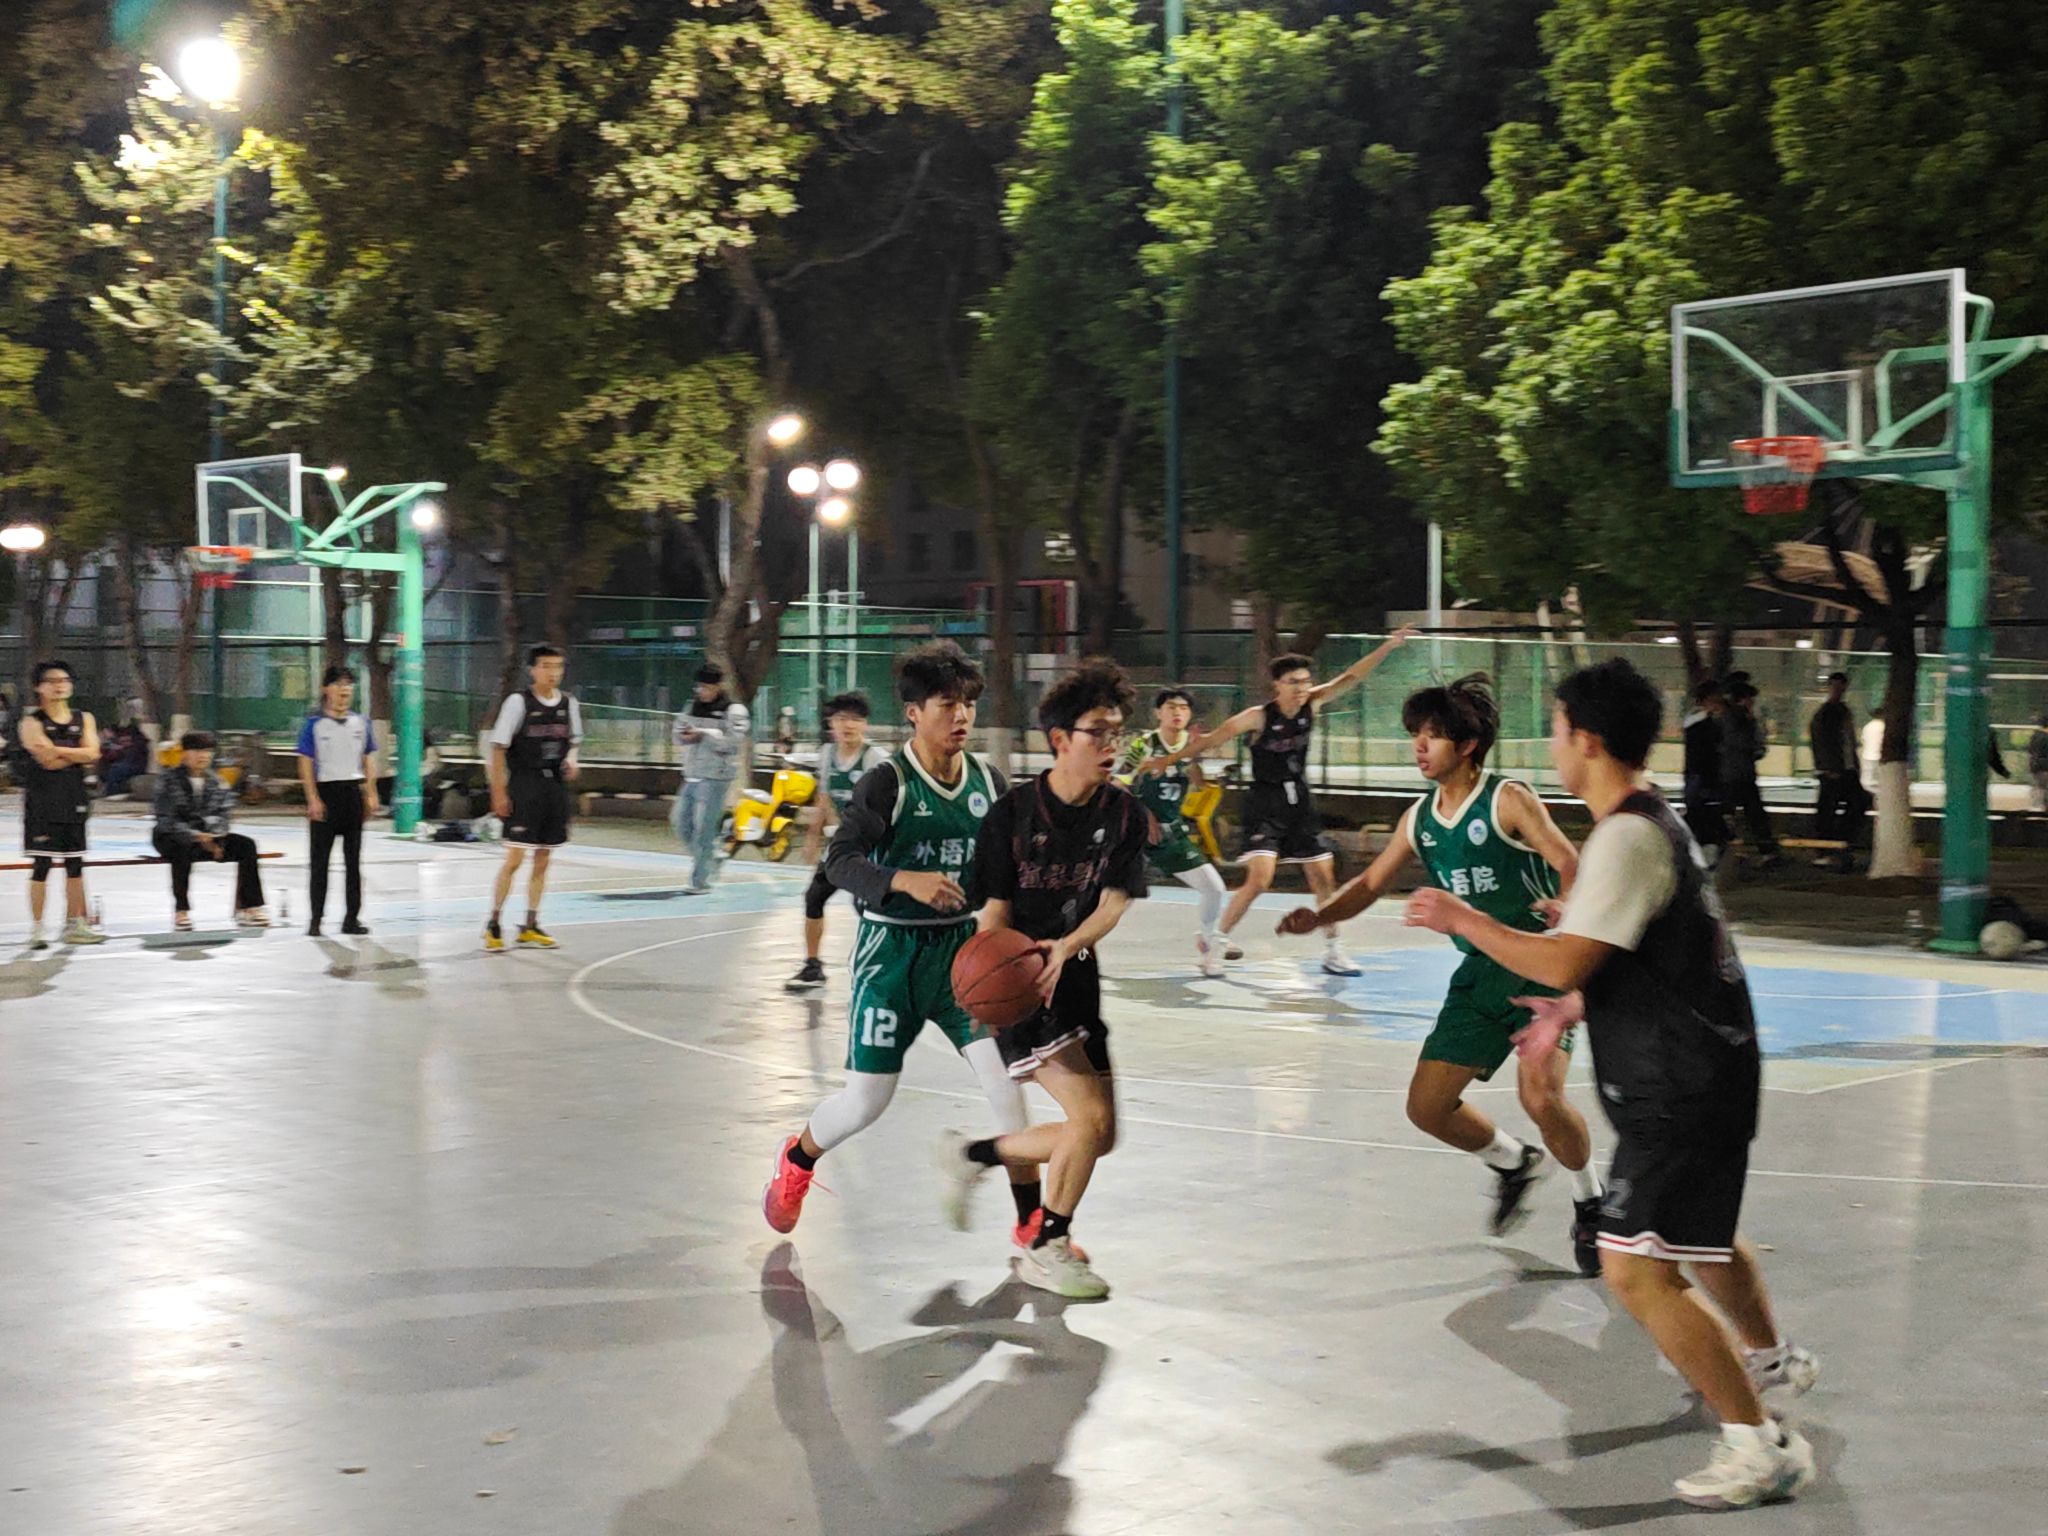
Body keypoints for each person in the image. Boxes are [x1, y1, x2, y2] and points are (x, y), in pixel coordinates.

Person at [1406, 658, 1819, 1511]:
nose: (1553, 744)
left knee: (1633, 1269)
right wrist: (1571, 1005)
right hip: (1707, 1070)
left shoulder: (1625, 836)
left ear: (1587, 741)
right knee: (1703, 1239)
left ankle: (1759, 1445)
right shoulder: (1644, 824)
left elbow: (1565, 955)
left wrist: (1466, 918)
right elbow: (1627, 953)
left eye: (1558, 729)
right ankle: (1773, 1361)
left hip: (1679, 1083)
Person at [1278, 674, 1603, 1272]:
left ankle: (1592, 1203)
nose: (1419, 746)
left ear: (1468, 744)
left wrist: (1568, 910)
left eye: (1432, 735)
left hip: (1540, 966)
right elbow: (1371, 884)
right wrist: (1320, 916)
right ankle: (1514, 1162)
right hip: (1481, 973)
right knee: (1426, 1108)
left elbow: (1569, 861)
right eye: (1416, 735)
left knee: (1540, 1096)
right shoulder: (1420, 818)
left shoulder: (1508, 799)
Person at [761, 642, 1039, 1251]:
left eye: (968, 704)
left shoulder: (989, 782)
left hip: (963, 958)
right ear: (914, 712)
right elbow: (839, 861)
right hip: (890, 956)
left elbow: (1009, 867)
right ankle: (797, 1159)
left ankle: (1033, 1227)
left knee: (1008, 1090)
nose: (961, 716)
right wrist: (901, 881)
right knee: (866, 1103)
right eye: (947, 704)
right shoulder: (887, 783)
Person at [935, 662, 1152, 1300]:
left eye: (1117, 732)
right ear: (1060, 739)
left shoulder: (1124, 814)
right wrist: (996, 986)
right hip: (1022, 985)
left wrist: (1070, 945)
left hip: (1075, 976)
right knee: (1088, 1117)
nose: (1112, 745)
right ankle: (1046, 1245)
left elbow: (1115, 901)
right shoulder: (1011, 816)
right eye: (1098, 732)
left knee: (1100, 1136)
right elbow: (994, 916)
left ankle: (973, 1156)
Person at [1141, 628, 1414, 975]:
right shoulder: (1258, 716)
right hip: (1264, 804)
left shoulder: (1313, 703)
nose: (1302, 688)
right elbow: (1211, 740)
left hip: (1299, 801)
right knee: (1260, 880)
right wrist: (1167, 760)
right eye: (1293, 682)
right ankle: (1215, 945)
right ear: (1277, 685)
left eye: (1305, 681)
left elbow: (1351, 677)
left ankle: (1334, 951)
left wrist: (1387, 646)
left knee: (1322, 877)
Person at [1120, 687, 1230, 977]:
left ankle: (1207, 944)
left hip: (1172, 836)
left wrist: (1200, 764)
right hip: (1137, 835)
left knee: (1214, 888)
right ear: (1158, 713)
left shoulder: (1190, 746)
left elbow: (1197, 782)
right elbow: (1117, 785)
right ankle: (1080, 949)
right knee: (1119, 899)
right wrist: (1145, 815)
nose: (1177, 712)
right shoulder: (1143, 744)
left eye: (1183, 708)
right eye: (1171, 707)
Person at [786, 691, 889, 992]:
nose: (848, 725)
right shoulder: (827, 754)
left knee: (869, 907)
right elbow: (824, 798)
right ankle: (813, 966)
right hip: (842, 844)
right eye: (842, 718)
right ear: (831, 723)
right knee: (814, 897)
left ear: (865, 724)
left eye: (855, 719)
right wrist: (813, 837)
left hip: (871, 846)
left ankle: (883, 966)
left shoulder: (876, 759)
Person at [484, 645, 583, 951]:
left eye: (558, 666)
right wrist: (499, 792)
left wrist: (572, 760)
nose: (553, 672)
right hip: (524, 785)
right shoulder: (518, 702)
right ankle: (493, 923)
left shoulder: (569, 703)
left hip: (554, 788)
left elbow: (574, 742)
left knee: (544, 858)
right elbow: (497, 748)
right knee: (514, 859)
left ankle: (530, 924)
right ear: (533, 670)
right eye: (546, 666)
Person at [17, 660, 104, 948]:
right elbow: (46, 760)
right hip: (43, 803)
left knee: (75, 865)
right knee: (41, 865)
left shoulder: (84, 718)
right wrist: (77, 752)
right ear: (38, 687)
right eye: (52, 681)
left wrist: (58, 750)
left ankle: (75, 924)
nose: (59, 685)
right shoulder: (31, 722)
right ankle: (38, 929)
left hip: (75, 800)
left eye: (64, 680)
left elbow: (93, 753)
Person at [152, 731, 270, 931]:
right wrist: (196, 835)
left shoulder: (217, 782)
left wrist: (215, 837)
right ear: (184, 753)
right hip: (172, 836)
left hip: (209, 837)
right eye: (197, 751)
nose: (203, 756)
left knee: (246, 845)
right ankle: (182, 910)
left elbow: (224, 815)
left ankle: (251, 907)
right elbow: (166, 819)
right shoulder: (168, 780)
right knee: (182, 847)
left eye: (207, 751)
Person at [297, 665, 379, 937]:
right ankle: (316, 919)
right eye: (338, 684)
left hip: (352, 794)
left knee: (353, 862)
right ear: (326, 689)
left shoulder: (361, 723)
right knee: (319, 862)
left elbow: (368, 759)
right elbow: (305, 763)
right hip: (326, 795)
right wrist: (312, 798)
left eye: (348, 685)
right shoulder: (314, 725)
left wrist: (371, 793)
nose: (344, 690)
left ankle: (351, 919)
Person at [672, 664, 749, 893]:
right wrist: (685, 735)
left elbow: (732, 743)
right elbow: (677, 733)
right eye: (699, 687)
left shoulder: (734, 711)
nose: (702, 692)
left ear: (719, 686)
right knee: (680, 823)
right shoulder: (691, 706)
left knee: (704, 829)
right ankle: (713, 857)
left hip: (716, 777)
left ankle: (700, 880)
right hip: (692, 774)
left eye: (707, 687)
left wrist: (704, 734)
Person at [1807, 672, 1867, 872]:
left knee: (1858, 801)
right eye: (1835, 687)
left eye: (1841, 687)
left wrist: (1854, 766)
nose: (1838, 691)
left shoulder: (1843, 710)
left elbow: (1848, 741)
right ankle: (1825, 850)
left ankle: (1840, 843)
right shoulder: (1825, 713)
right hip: (1832, 771)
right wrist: (1827, 767)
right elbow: (1820, 742)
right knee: (1828, 809)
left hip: (1847, 769)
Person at [1720, 678, 1781, 870]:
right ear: (1743, 699)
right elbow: (1746, 744)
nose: (1752, 702)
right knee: (1753, 814)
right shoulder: (1739, 719)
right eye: (1750, 698)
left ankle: (1728, 850)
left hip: (1733, 773)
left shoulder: (1730, 717)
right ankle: (1765, 851)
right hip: (1739, 773)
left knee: (1734, 813)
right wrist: (1756, 748)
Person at [1680, 679, 1728, 866]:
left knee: (1703, 817)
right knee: (1702, 817)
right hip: (1701, 778)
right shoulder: (1700, 722)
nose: (1718, 704)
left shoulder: (1704, 722)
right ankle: (1703, 858)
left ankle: (1703, 856)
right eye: (1715, 699)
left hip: (1701, 777)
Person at [2029, 711, 2048, 813]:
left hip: (2036, 766)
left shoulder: (2035, 735)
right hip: (2044, 767)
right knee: (2044, 789)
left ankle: (2039, 807)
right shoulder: (2045, 737)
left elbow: (2030, 751)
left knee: (2041, 787)